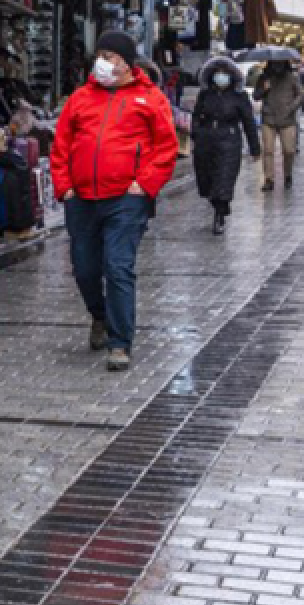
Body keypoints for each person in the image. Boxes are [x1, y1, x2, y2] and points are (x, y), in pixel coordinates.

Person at [52, 31, 177, 372]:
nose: (103, 62)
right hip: (82, 198)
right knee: (85, 269)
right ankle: (100, 316)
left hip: (126, 198)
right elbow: (61, 144)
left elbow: (167, 147)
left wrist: (145, 183)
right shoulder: (80, 98)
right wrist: (64, 187)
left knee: (118, 267)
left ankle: (120, 342)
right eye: (100, 54)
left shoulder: (150, 98)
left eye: (110, 56)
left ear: (126, 63)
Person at [192, 55, 260, 235]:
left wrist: (255, 148)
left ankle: (220, 213)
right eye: (218, 73)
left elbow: (248, 121)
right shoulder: (205, 94)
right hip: (206, 139)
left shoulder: (239, 96)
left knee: (224, 178)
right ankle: (218, 203)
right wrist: (196, 134)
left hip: (229, 140)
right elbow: (196, 116)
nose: (221, 76)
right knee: (206, 179)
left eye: (225, 73)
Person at [253, 58, 304, 191]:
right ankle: (269, 179)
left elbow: (301, 94)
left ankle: (287, 175)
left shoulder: (291, 77)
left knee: (289, 150)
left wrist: (291, 107)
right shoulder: (264, 77)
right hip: (269, 118)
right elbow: (256, 96)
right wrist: (264, 89)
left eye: (280, 63)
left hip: (287, 119)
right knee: (268, 150)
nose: (277, 66)